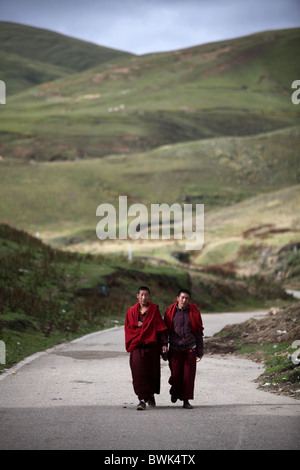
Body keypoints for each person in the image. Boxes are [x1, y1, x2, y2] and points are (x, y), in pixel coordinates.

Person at [125, 286, 168, 410]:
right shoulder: (131, 312)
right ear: (137, 296)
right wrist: (135, 325)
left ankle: (150, 394)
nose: (143, 297)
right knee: (138, 373)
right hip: (137, 347)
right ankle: (142, 400)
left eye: (146, 295)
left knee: (151, 373)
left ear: (149, 296)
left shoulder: (154, 310)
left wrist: (164, 343)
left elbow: (160, 328)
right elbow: (128, 329)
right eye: (141, 295)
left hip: (152, 348)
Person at [164, 289, 204, 409]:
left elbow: (198, 332)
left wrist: (200, 351)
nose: (184, 300)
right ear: (177, 298)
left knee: (188, 376)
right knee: (176, 375)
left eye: (186, 298)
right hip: (175, 348)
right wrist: (164, 347)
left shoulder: (194, 313)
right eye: (182, 297)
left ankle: (186, 400)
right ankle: (175, 391)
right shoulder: (169, 312)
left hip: (190, 348)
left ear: (189, 300)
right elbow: (164, 331)